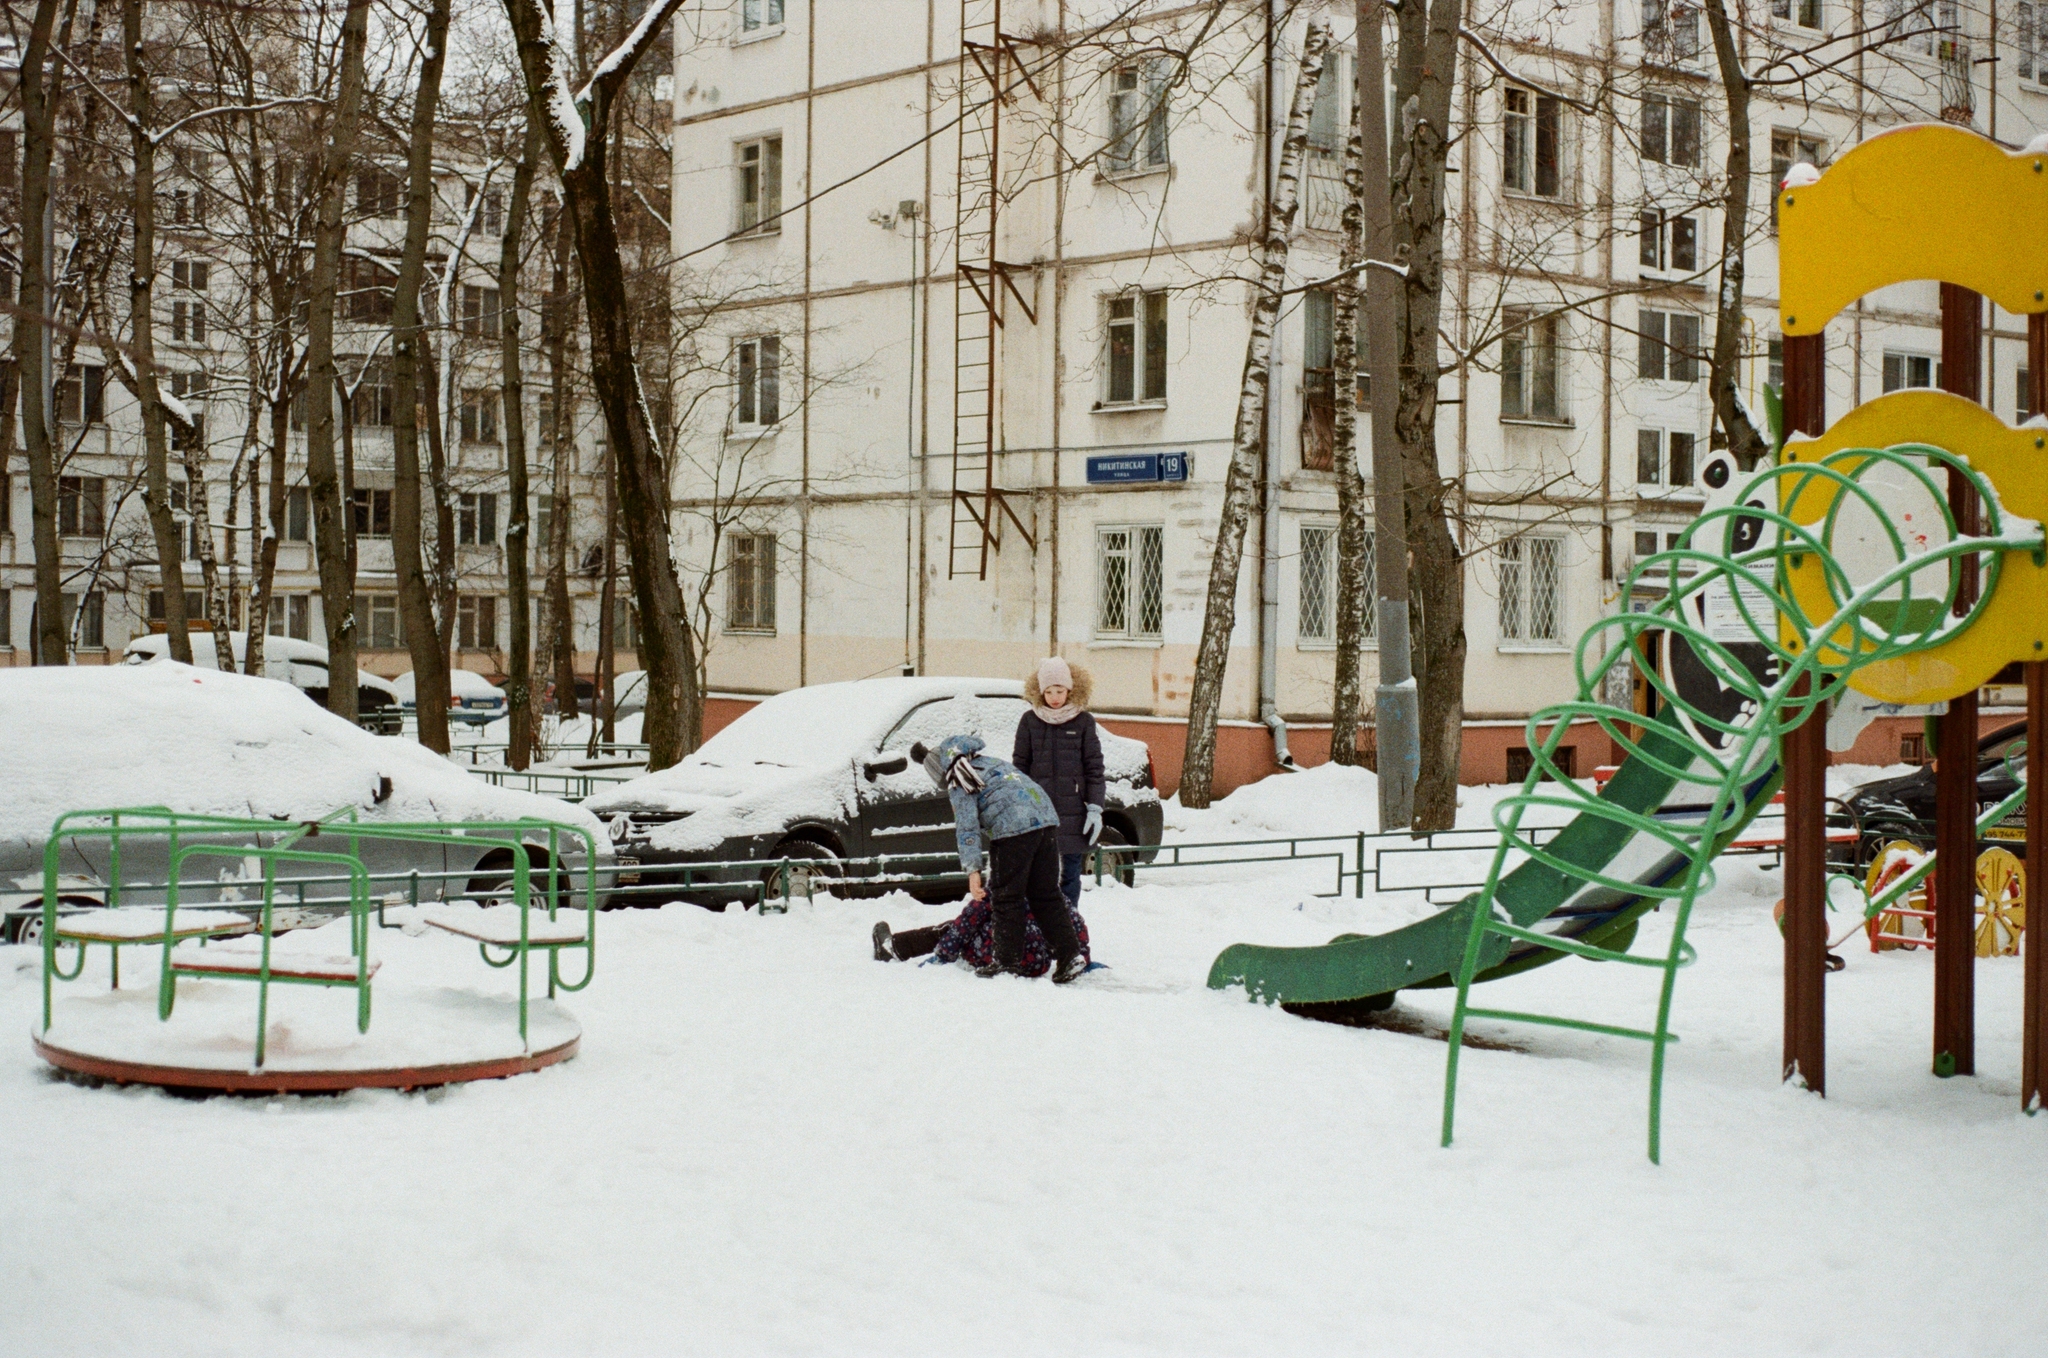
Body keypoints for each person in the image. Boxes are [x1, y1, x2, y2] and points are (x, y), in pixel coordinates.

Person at [872, 734, 1087, 982]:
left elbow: (967, 828)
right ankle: (1070, 955)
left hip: (1011, 831)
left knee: (1006, 897)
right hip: (1047, 821)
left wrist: (973, 870)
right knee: (1046, 895)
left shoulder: (960, 778)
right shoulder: (992, 763)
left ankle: (1006, 963)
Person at [1011, 656, 1105, 915]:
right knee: (1039, 877)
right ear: (1040, 692)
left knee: (1070, 877)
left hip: (1073, 816)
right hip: (1038, 815)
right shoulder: (1029, 721)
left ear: (1070, 689)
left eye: (1060, 690)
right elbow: (1019, 766)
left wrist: (1095, 807)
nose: (1054, 697)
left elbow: (1094, 767)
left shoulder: (1084, 722)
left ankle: (1068, 928)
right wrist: (1020, 805)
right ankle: (1041, 932)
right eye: (1049, 691)